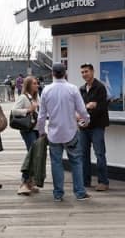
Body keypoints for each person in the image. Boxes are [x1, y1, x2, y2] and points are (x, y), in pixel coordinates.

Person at [37, 63, 90, 201]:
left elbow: (41, 116)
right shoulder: (72, 89)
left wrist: (41, 131)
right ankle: (79, 192)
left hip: (54, 134)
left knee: (56, 163)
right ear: (65, 73)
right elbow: (82, 110)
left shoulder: (46, 90)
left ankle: (58, 194)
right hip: (71, 132)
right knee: (76, 162)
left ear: (53, 74)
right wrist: (86, 120)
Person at [79, 63, 110, 191]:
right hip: (83, 127)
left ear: (92, 72)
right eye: (82, 72)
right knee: (83, 155)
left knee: (99, 154)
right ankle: (85, 181)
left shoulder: (100, 87)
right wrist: (88, 106)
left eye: (86, 71)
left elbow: (102, 107)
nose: (84, 74)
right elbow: (80, 106)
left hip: (97, 126)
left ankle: (103, 182)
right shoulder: (81, 89)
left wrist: (92, 107)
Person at [11, 76, 40, 195]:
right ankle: (24, 181)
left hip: (36, 128)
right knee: (32, 154)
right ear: (28, 85)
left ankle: (30, 182)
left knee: (34, 155)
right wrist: (28, 110)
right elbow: (14, 111)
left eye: (37, 83)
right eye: (34, 83)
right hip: (28, 129)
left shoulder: (36, 97)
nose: (36, 85)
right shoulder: (23, 97)